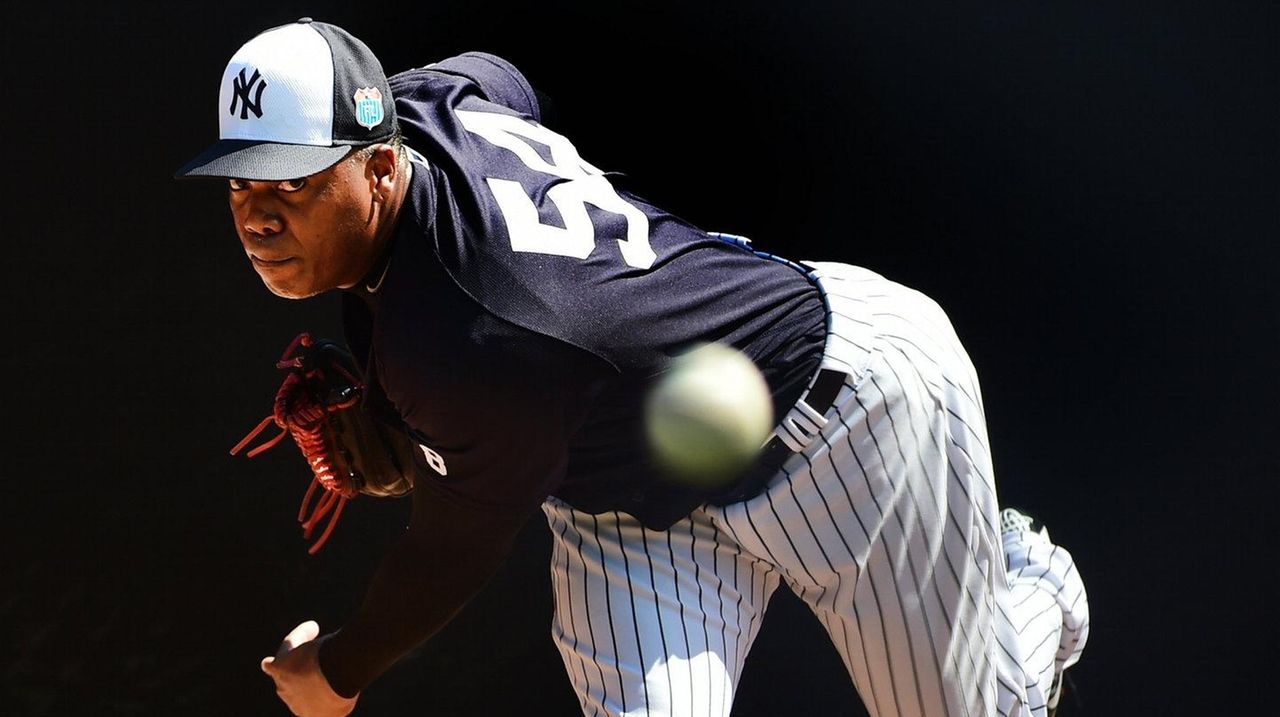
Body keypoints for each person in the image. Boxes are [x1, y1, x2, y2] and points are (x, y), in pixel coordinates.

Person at [177, 18, 1089, 717]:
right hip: (626, 495)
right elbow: (499, 77)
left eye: (295, 182)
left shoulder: (480, 333)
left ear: (380, 169)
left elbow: (451, 553)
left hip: (841, 421)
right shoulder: (426, 112)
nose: (260, 213)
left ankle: (1033, 585)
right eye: (243, 182)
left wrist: (335, 671)